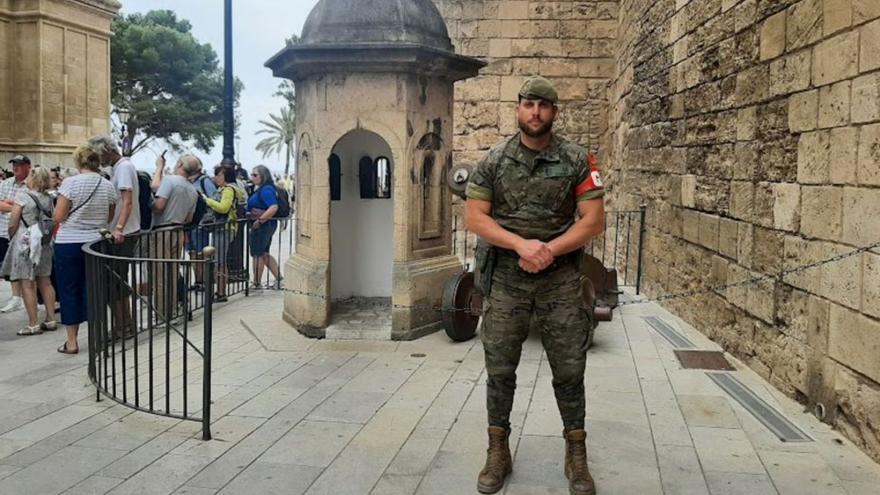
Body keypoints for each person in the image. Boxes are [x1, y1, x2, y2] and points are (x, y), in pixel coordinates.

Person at [465, 76, 605, 495]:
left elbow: (593, 221)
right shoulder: (494, 160)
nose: (536, 112)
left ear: (554, 112)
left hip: (560, 280)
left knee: (569, 368)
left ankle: (576, 453)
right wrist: (522, 245)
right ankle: (498, 450)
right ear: (518, 109)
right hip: (507, 278)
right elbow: (476, 217)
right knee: (500, 368)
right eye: (529, 104)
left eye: (544, 105)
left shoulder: (579, 160)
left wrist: (548, 250)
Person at [54, 146, 117, 354]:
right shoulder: (107, 185)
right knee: (95, 289)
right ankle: (97, 339)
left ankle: (72, 342)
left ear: (78, 162)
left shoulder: (70, 183)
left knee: (69, 290)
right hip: (95, 242)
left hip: (69, 242)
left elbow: (59, 216)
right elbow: (108, 218)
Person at [89, 135, 140, 339]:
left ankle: (124, 325)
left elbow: (126, 201)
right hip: (122, 231)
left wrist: (118, 227)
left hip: (123, 233)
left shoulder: (124, 167)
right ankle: (123, 324)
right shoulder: (120, 167)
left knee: (115, 281)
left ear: (107, 151)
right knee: (115, 281)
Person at [1, 167, 58, 335]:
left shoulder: (22, 197)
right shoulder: (49, 198)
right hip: (44, 242)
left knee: (27, 283)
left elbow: (13, 223)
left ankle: (33, 323)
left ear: (32, 179)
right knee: (45, 281)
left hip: (25, 242)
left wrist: (12, 237)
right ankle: (50, 319)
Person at [150, 154, 198, 323]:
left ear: (179, 164)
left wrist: (159, 168)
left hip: (162, 230)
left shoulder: (170, 181)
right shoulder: (193, 190)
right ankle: (172, 311)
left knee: (160, 274)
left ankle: (161, 315)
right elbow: (189, 218)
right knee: (172, 272)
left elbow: (159, 206)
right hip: (178, 231)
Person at [202, 164, 245, 302]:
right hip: (223, 228)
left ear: (225, 176)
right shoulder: (226, 189)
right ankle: (220, 291)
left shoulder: (228, 190)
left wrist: (206, 200)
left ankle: (221, 292)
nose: (216, 177)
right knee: (219, 261)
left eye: (218, 175)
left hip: (224, 228)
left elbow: (223, 208)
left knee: (219, 262)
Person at [0, 155, 32, 314]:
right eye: (14, 164)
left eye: (19, 164)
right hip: (3, 230)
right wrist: (16, 206)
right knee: (9, 266)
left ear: (28, 166)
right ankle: (15, 297)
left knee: (21, 266)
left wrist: (10, 203)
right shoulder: (6, 183)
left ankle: (20, 297)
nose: (15, 168)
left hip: (22, 232)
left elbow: (28, 207)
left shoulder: (31, 184)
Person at [183, 156, 216, 290]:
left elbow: (214, 198)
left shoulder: (204, 181)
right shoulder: (187, 181)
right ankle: (197, 280)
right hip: (189, 223)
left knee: (200, 252)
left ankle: (202, 281)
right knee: (192, 252)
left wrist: (201, 196)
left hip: (200, 222)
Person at [247, 165, 282, 289]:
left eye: (255, 175)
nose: (252, 177)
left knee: (257, 254)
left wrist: (260, 221)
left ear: (263, 176)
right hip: (266, 225)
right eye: (252, 174)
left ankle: (257, 283)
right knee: (264, 254)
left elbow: (273, 207)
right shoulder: (263, 189)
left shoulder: (266, 190)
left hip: (262, 226)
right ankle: (279, 279)